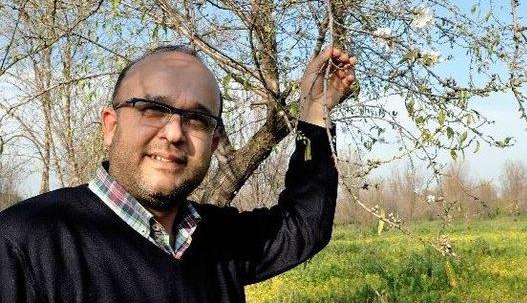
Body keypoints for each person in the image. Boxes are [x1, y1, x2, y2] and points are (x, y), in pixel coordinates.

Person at [0, 44, 357, 303]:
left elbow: (304, 226)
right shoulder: (23, 244)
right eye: (152, 109)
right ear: (110, 126)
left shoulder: (217, 238)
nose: (174, 133)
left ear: (214, 144)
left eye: (198, 119)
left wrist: (315, 109)